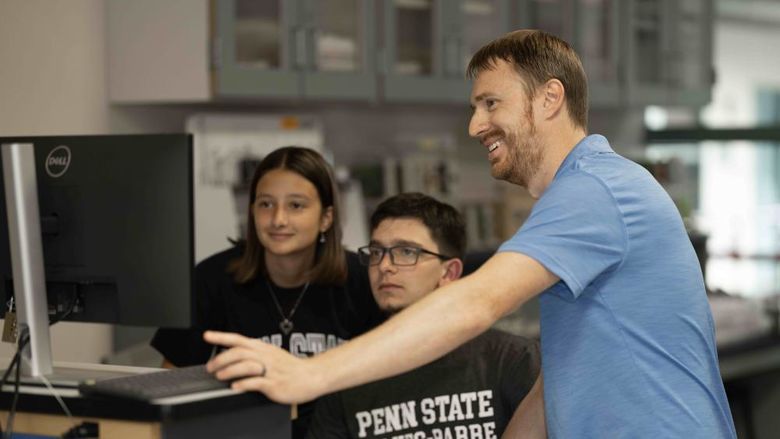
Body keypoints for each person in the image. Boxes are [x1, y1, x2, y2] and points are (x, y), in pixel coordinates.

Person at [204, 30, 737, 438]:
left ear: (549, 98)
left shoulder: (593, 189)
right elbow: (561, 383)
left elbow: (475, 303)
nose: (475, 125)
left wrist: (308, 376)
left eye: (490, 104)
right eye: (474, 107)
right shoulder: (587, 191)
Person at [151, 146, 383, 438]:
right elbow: (168, 387)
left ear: (326, 217)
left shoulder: (361, 280)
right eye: (265, 204)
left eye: (296, 205)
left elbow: (389, 388)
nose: (278, 220)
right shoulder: (212, 279)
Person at [306, 192, 540, 439]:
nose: (385, 266)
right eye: (376, 252)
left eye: (407, 252)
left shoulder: (512, 360)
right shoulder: (345, 376)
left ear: (449, 272)